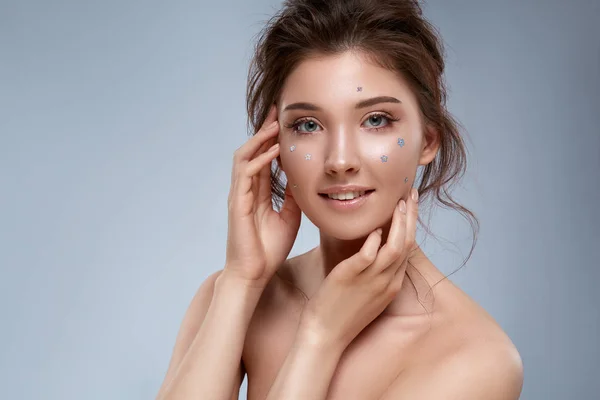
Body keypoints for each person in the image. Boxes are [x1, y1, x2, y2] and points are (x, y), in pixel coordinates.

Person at [156, 0, 524, 399]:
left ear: (428, 140)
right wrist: (242, 282)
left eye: (376, 120)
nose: (340, 160)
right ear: (274, 143)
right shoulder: (231, 295)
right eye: (308, 125)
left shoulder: (476, 359)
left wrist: (320, 335)